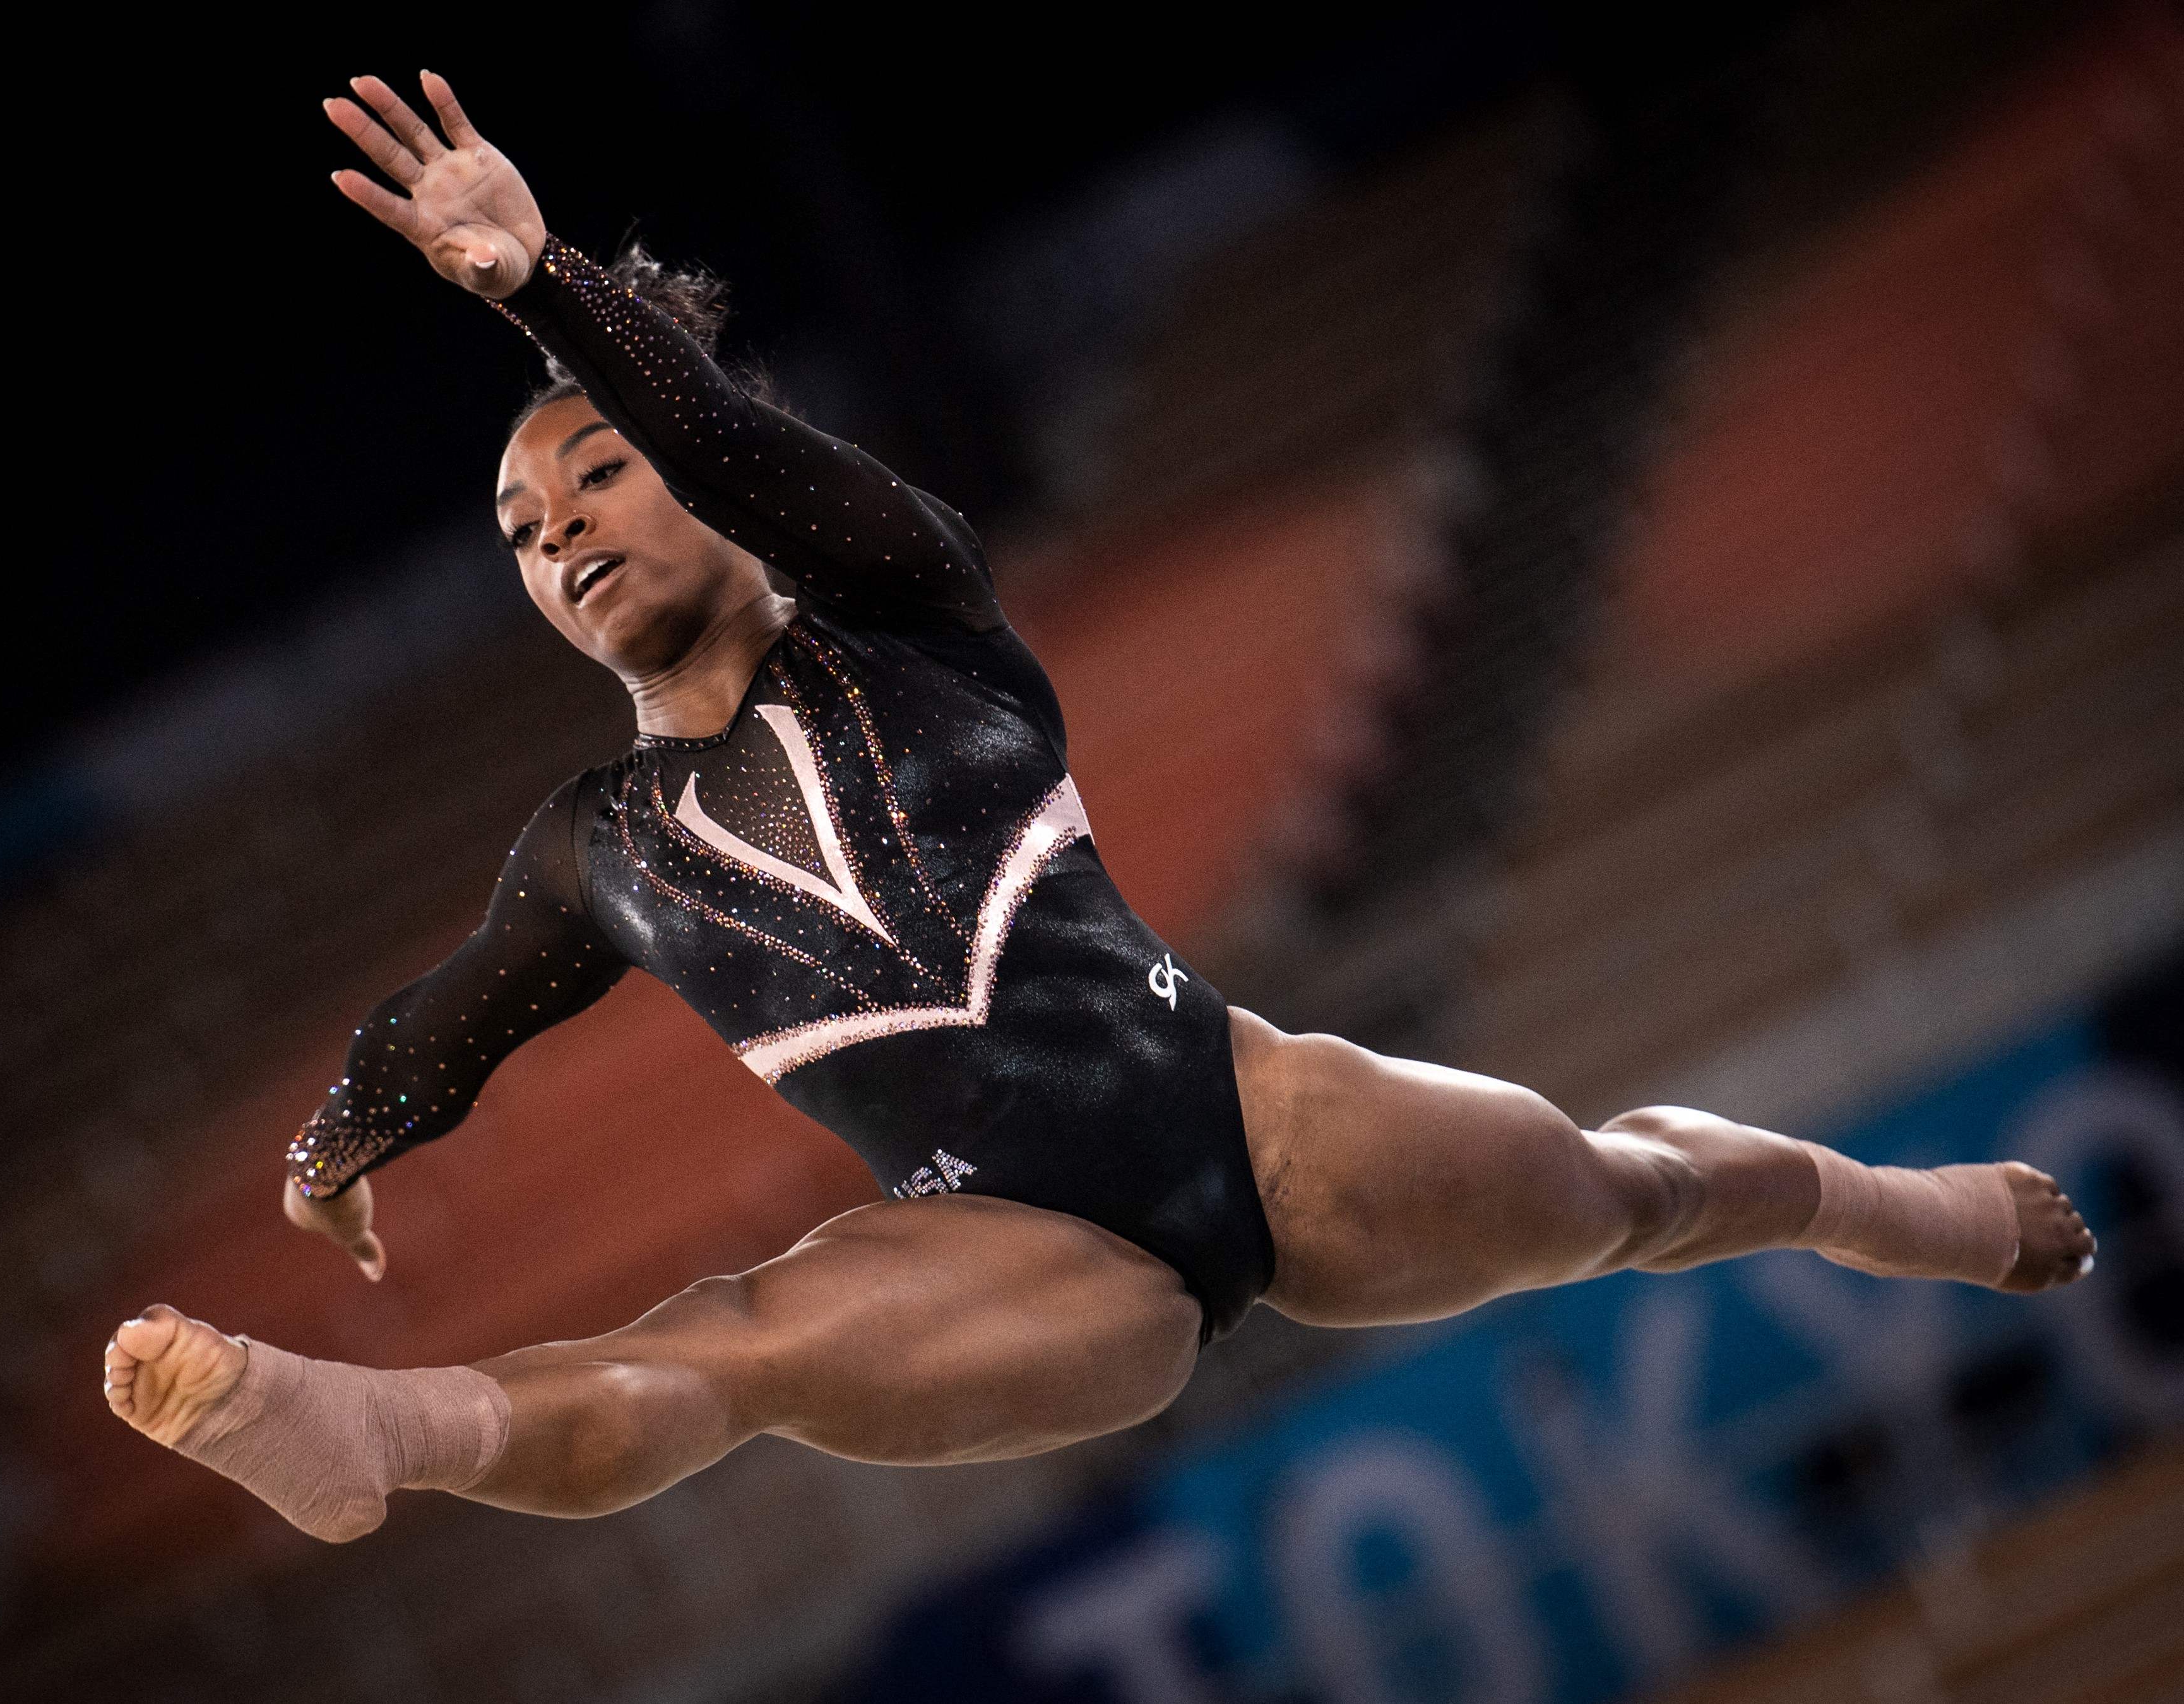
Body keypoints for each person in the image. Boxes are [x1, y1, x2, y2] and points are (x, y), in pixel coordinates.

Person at [102, 70, 2098, 1542]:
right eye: (526, 535)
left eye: (596, 478)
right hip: (1011, 1254)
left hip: (1259, 1118)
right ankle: (374, 1432)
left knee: (1638, 1194)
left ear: (695, 477)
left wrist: (543, 283)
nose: (562, 538)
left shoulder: (907, 604)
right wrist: (342, 1138)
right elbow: (453, 1012)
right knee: (737, 1341)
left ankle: (1897, 1209)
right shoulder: (594, 850)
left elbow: (718, 422)